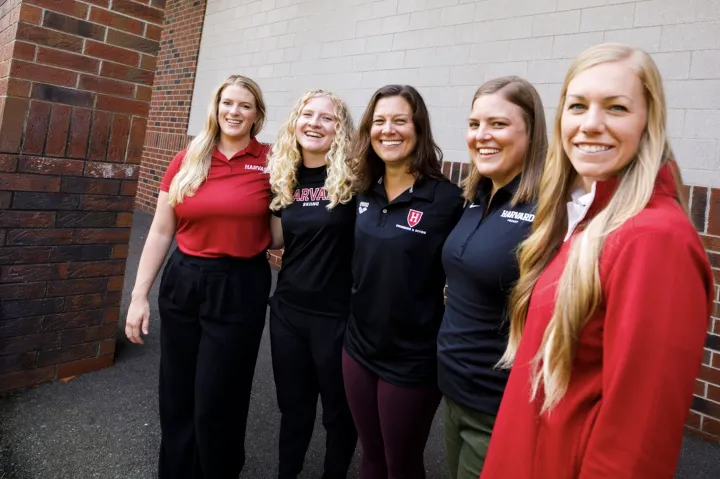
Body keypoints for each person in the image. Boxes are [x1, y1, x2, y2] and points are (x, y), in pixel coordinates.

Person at [480, 43, 714, 479]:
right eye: (577, 105)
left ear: (649, 123)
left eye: (617, 107)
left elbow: (635, 442)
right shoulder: (581, 216)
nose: (591, 124)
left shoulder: (654, 239)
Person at [124, 74, 272, 479]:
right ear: (216, 107)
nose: (234, 111)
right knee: (177, 387)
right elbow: (159, 231)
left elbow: (280, 233)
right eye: (228, 103)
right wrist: (138, 297)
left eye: (245, 105)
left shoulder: (272, 161)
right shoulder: (188, 158)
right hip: (185, 278)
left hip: (240, 284)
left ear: (257, 114)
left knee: (219, 391)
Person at [342, 84, 465, 479]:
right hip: (358, 348)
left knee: (402, 465)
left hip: (412, 360)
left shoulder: (446, 200)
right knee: (371, 457)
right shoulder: (361, 190)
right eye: (379, 121)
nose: (388, 130)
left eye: (400, 120)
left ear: (418, 128)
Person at [436, 76, 547, 479]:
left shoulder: (549, 210)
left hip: (498, 406)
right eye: (474, 124)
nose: (482, 135)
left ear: (531, 133)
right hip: (453, 393)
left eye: (498, 124)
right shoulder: (475, 198)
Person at [266, 89, 358, 479]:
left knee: (339, 414)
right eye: (308, 114)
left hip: (337, 317)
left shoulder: (356, 181)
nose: (315, 123)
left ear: (340, 129)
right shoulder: (284, 177)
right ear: (295, 121)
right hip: (287, 313)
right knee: (294, 408)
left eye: (327, 118)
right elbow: (275, 239)